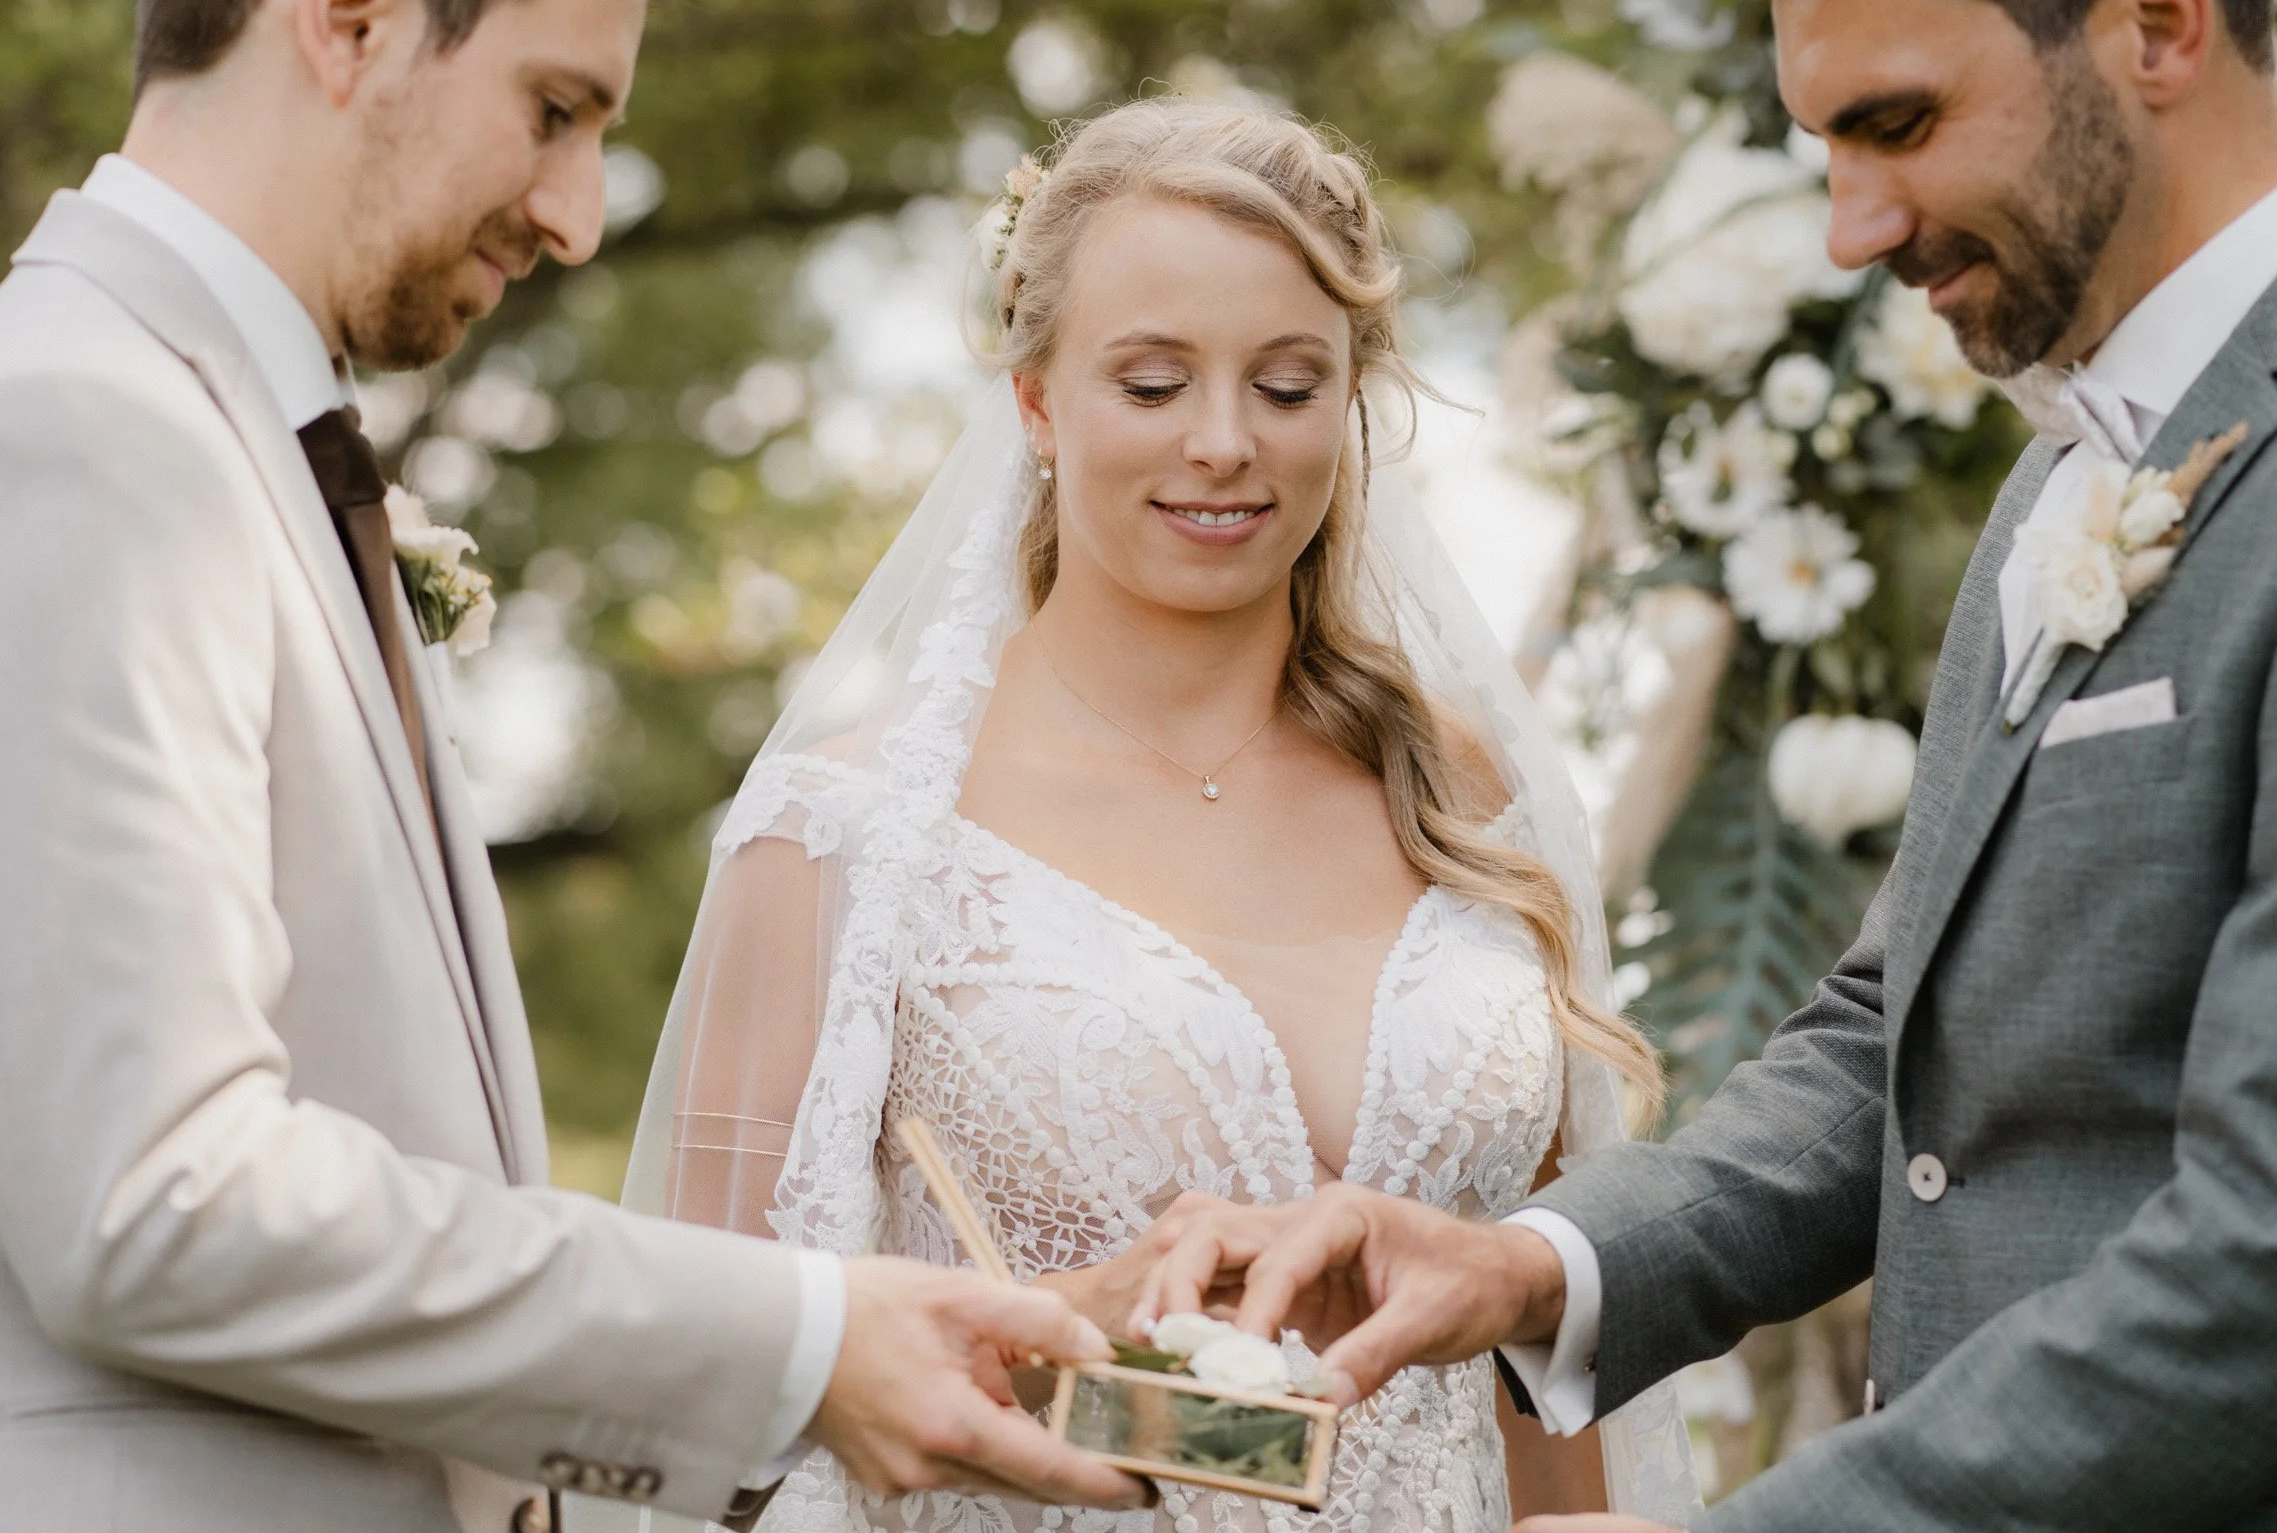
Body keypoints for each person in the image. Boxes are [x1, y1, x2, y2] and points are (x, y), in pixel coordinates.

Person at [1137, 0, 2277, 1529]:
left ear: (2155, 22)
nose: (1852, 227)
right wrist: (1530, 1262)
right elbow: (1900, 1040)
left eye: (1896, 124)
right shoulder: (2065, 471)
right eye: (1822, 147)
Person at [0, 0, 1152, 1530]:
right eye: (555, 108)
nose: (576, 214)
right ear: (352, 12)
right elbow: (156, 1199)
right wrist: (801, 1345)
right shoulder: (87, 429)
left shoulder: (221, 444)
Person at [625, 98, 1701, 1533]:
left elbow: (1545, 1361)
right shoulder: (842, 839)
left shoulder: (1466, 796)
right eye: (1150, 385)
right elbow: (702, 1403)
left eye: (1286, 384)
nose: (1222, 445)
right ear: (1034, 399)